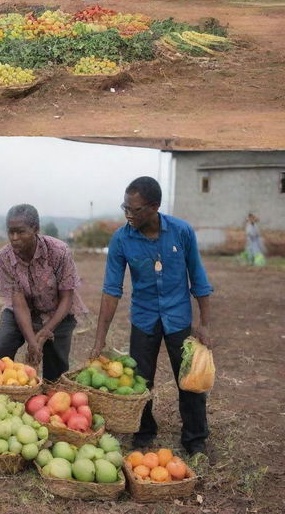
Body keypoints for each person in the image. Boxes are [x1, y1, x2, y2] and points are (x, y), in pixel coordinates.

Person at [90, 176, 213, 456]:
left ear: (154, 207)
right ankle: (144, 433)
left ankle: (195, 439)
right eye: (125, 208)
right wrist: (100, 340)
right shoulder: (121, 239)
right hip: (144, 319)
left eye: (135, 210)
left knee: (189, 379)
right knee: (140, 381)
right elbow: (111, 290)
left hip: (178, 318)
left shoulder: (181, 232)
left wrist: (204, 324)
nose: (129, 215)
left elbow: (199, 278)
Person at [0, 204, 86, 382]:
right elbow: (18, 303)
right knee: (2, 346)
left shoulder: (59, 251)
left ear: (36, 229)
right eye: (10, 232)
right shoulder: (3, 258)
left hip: (57, 310)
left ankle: (51, 397)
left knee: (56, 370)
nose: (14, 238)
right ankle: (2, 389)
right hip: (21, 309)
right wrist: (32, 342)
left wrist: (45, 332)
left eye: (20, 232)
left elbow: (67, 297)